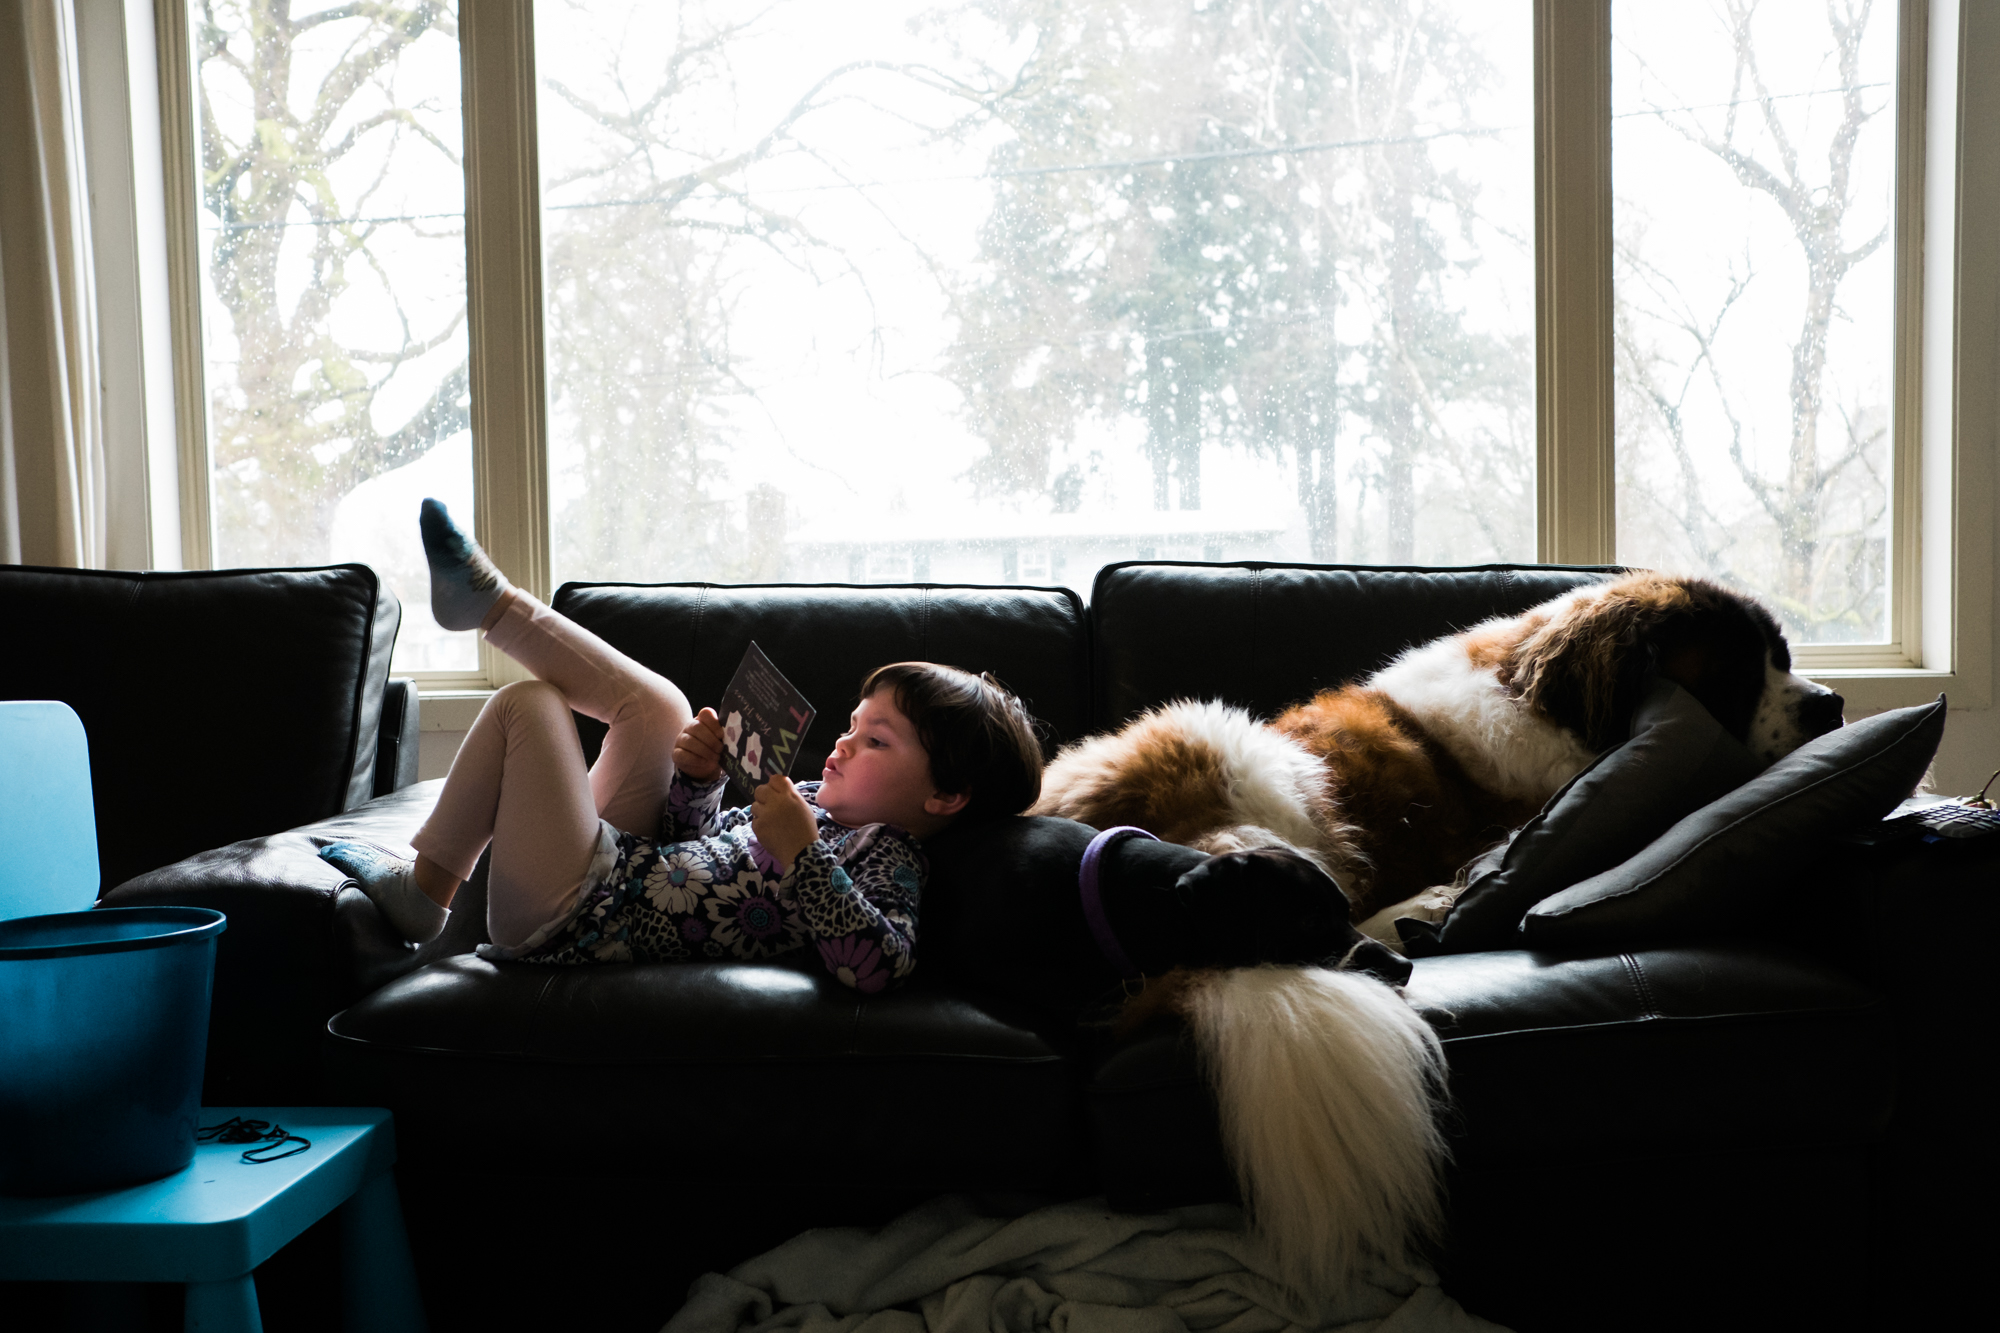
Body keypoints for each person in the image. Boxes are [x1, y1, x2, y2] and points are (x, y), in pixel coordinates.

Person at [319, 500, 1044, 992]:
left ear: (943, 794)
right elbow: (687, 851)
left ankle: (427, 893)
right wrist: (698, 781)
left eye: (877, 740)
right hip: (622, 866)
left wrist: (803, 855)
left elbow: (875, 966)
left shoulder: (891, 858)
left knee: (526, 705)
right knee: (663, 707)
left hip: (577, 917)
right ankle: (492, 605)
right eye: (853, 725)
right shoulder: (816, 803)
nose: (845, 744)